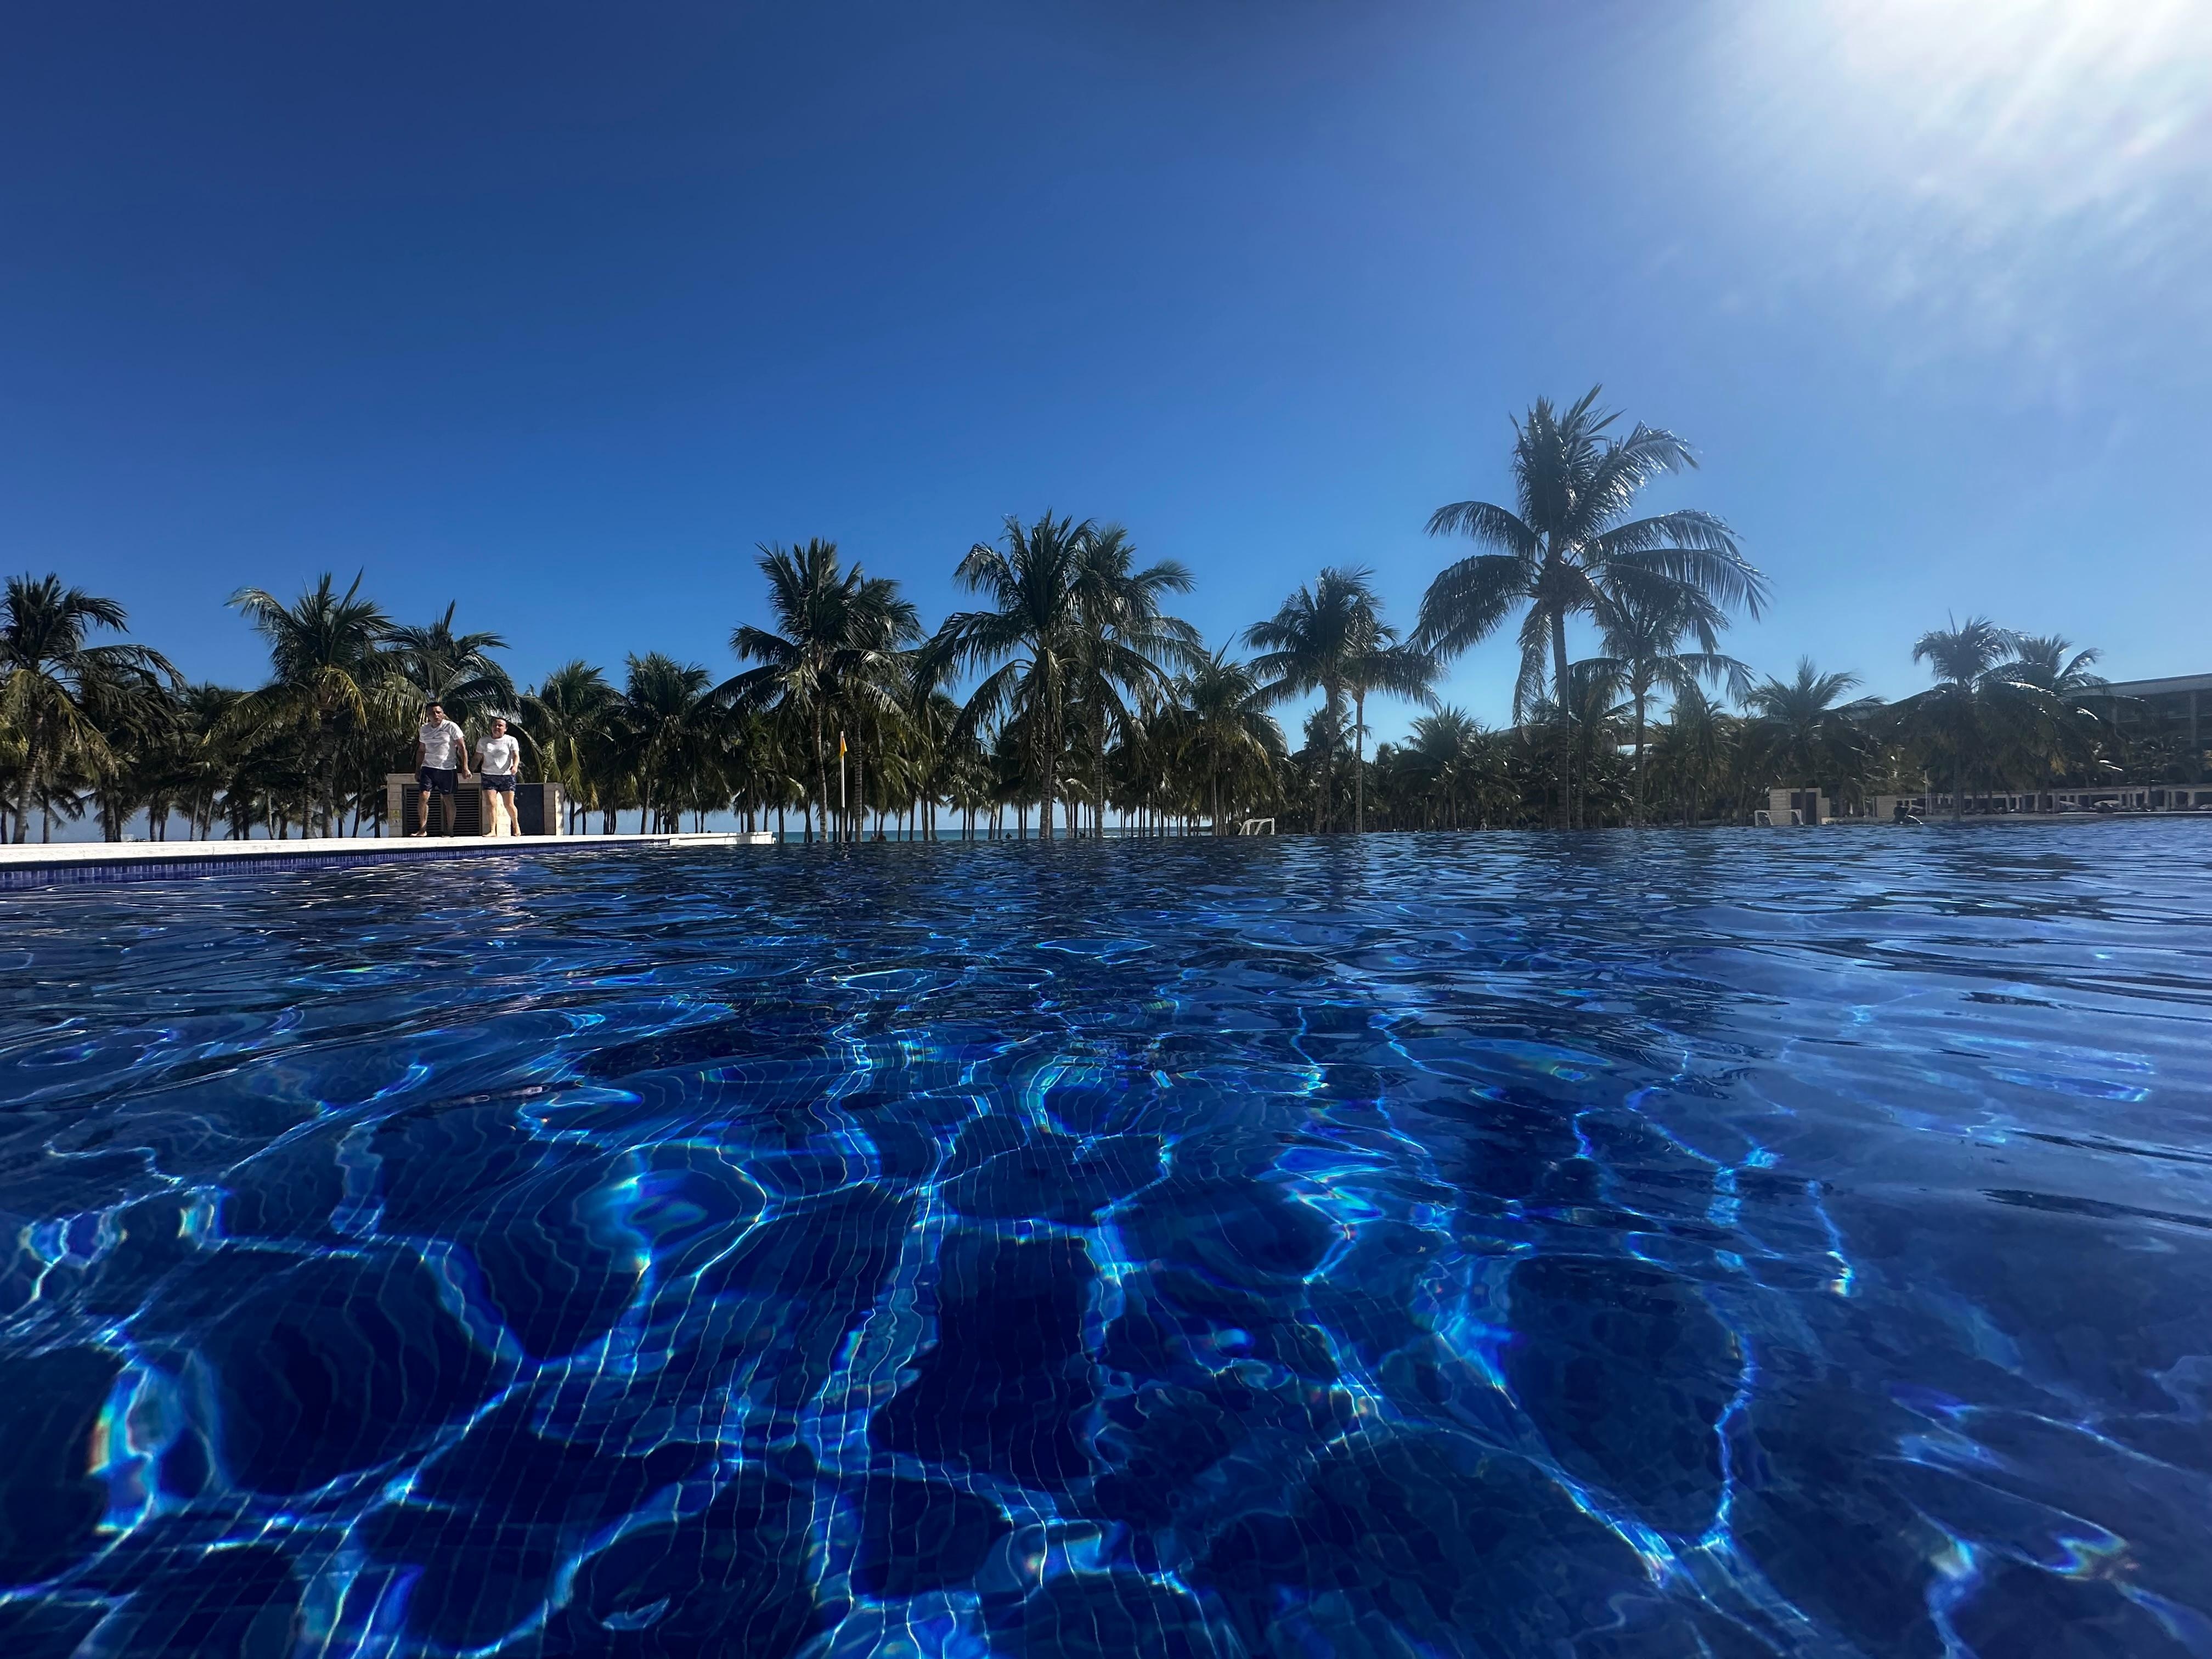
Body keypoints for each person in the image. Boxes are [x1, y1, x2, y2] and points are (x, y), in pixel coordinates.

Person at [414, 702, 470, 836]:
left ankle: (449, 829)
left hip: (447, 768)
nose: (436, 715)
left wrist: (465, 767)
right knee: (423, 796)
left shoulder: (451, 727)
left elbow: (462, 748)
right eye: (432, 713)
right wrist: (418, 769)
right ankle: (423, 829)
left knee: (448, 799)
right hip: (428, 767)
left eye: (439, 712)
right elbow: (421, 750)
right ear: (428, 715)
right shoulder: (424, 729)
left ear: (443, 713)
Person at [476, 715, 522, 838]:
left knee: (509, 804)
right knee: (491, 804)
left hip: (506, 776)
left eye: (500, 725)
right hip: (488, 775)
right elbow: (478, 756)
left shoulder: (511, 740)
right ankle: (492, 830)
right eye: (495, 725)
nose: (497, 727)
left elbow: (516, 755)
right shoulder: (484, 741)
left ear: (505, 729)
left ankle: (516, 825)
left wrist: (515, 766)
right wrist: (469, 769)